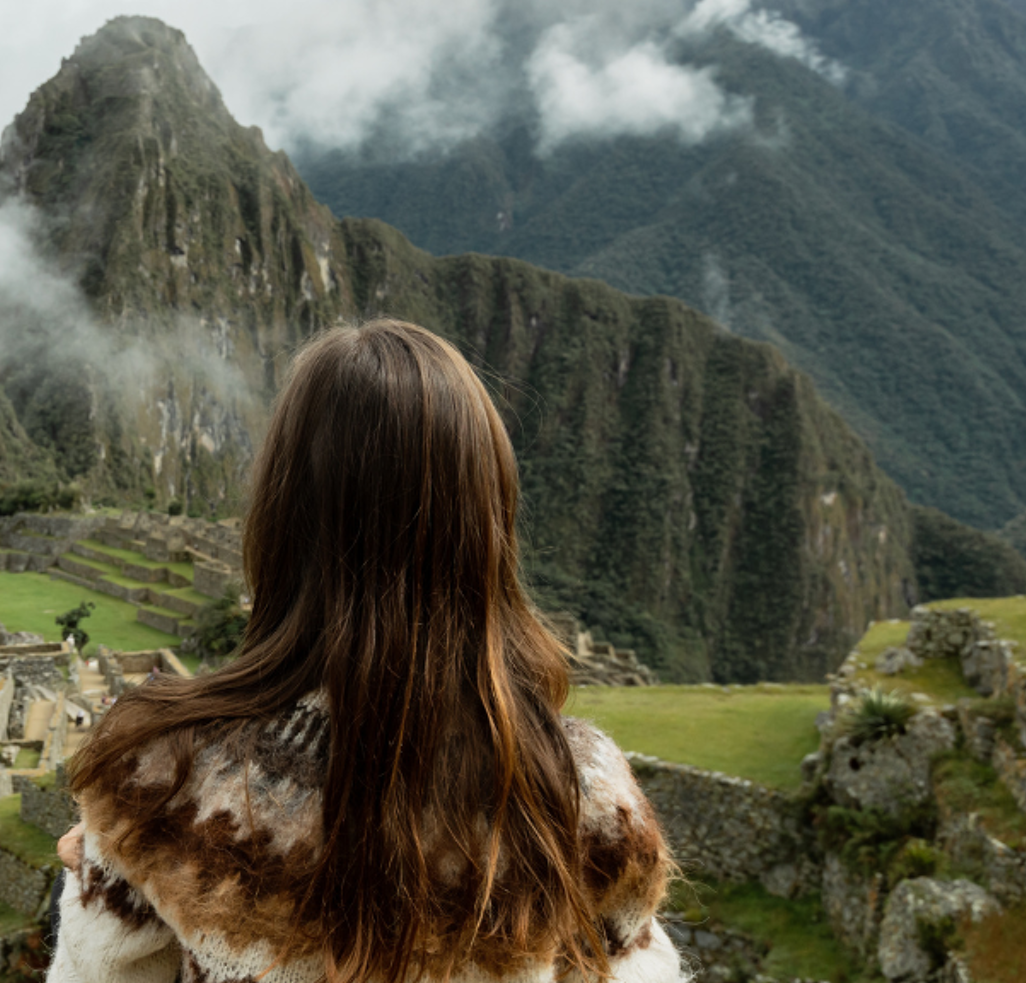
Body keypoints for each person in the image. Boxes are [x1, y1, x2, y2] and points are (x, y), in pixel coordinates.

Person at [48, 321, 681, 983]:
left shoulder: (162, 775)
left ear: (280, 515)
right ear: (487, 522)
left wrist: (104, 860)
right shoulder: (578, 795)